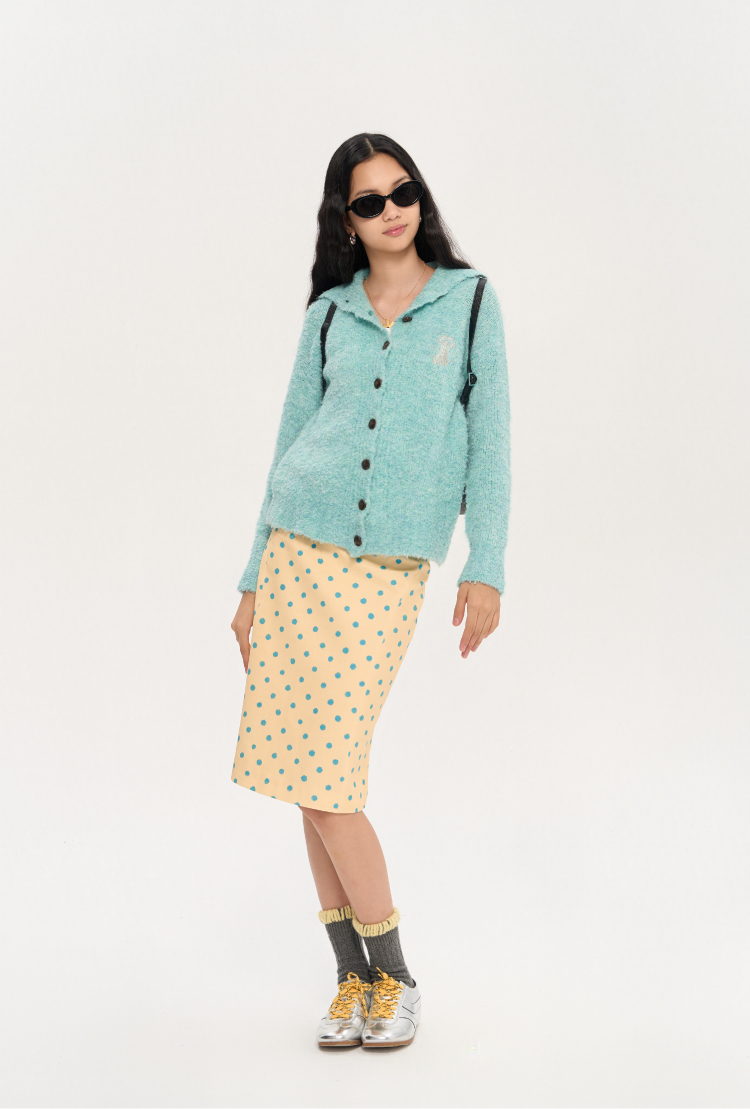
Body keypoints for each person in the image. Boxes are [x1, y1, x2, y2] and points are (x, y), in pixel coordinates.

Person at [230, 133, 511, 1049]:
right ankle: (354, 982)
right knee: (308, 782)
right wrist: (252, 579)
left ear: (419, 198)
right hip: (297, 557)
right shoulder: (328, 314)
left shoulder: (469, 301)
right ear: (344, 221)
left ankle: (396, 977)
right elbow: (288, 444)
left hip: (388, 571)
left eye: (403, 191)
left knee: (329, 774)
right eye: (368, 201)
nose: (392, 210)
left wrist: (485, 563)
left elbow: (492, 440)